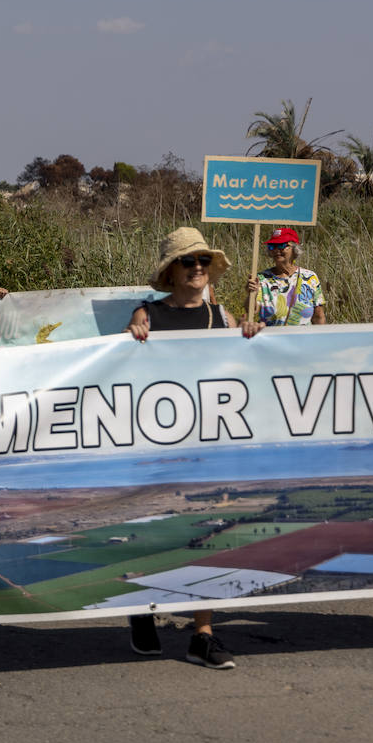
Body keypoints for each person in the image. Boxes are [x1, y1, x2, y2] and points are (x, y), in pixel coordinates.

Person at [125, 227, 263, 670]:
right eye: (189, 261)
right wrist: (131, 335)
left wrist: (254, 338)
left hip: (207, 445)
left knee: (208, 533)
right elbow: (121, 372)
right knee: (155, 535)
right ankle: (141, 608)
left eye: (203, 260)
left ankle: (202, 634)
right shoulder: (146, 315)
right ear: (172, 269)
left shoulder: (221, 318)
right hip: (156, 447)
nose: (198, 267)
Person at [245, 227, 327, 326]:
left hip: (303, 340)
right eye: (272, 246)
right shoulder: (262, 278)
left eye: (281, 245)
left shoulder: (309, 277)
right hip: (272, 339)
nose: (276, 250)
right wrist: (251, 294)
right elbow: (251, 310)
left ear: (295, 249)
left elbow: (318, 316)